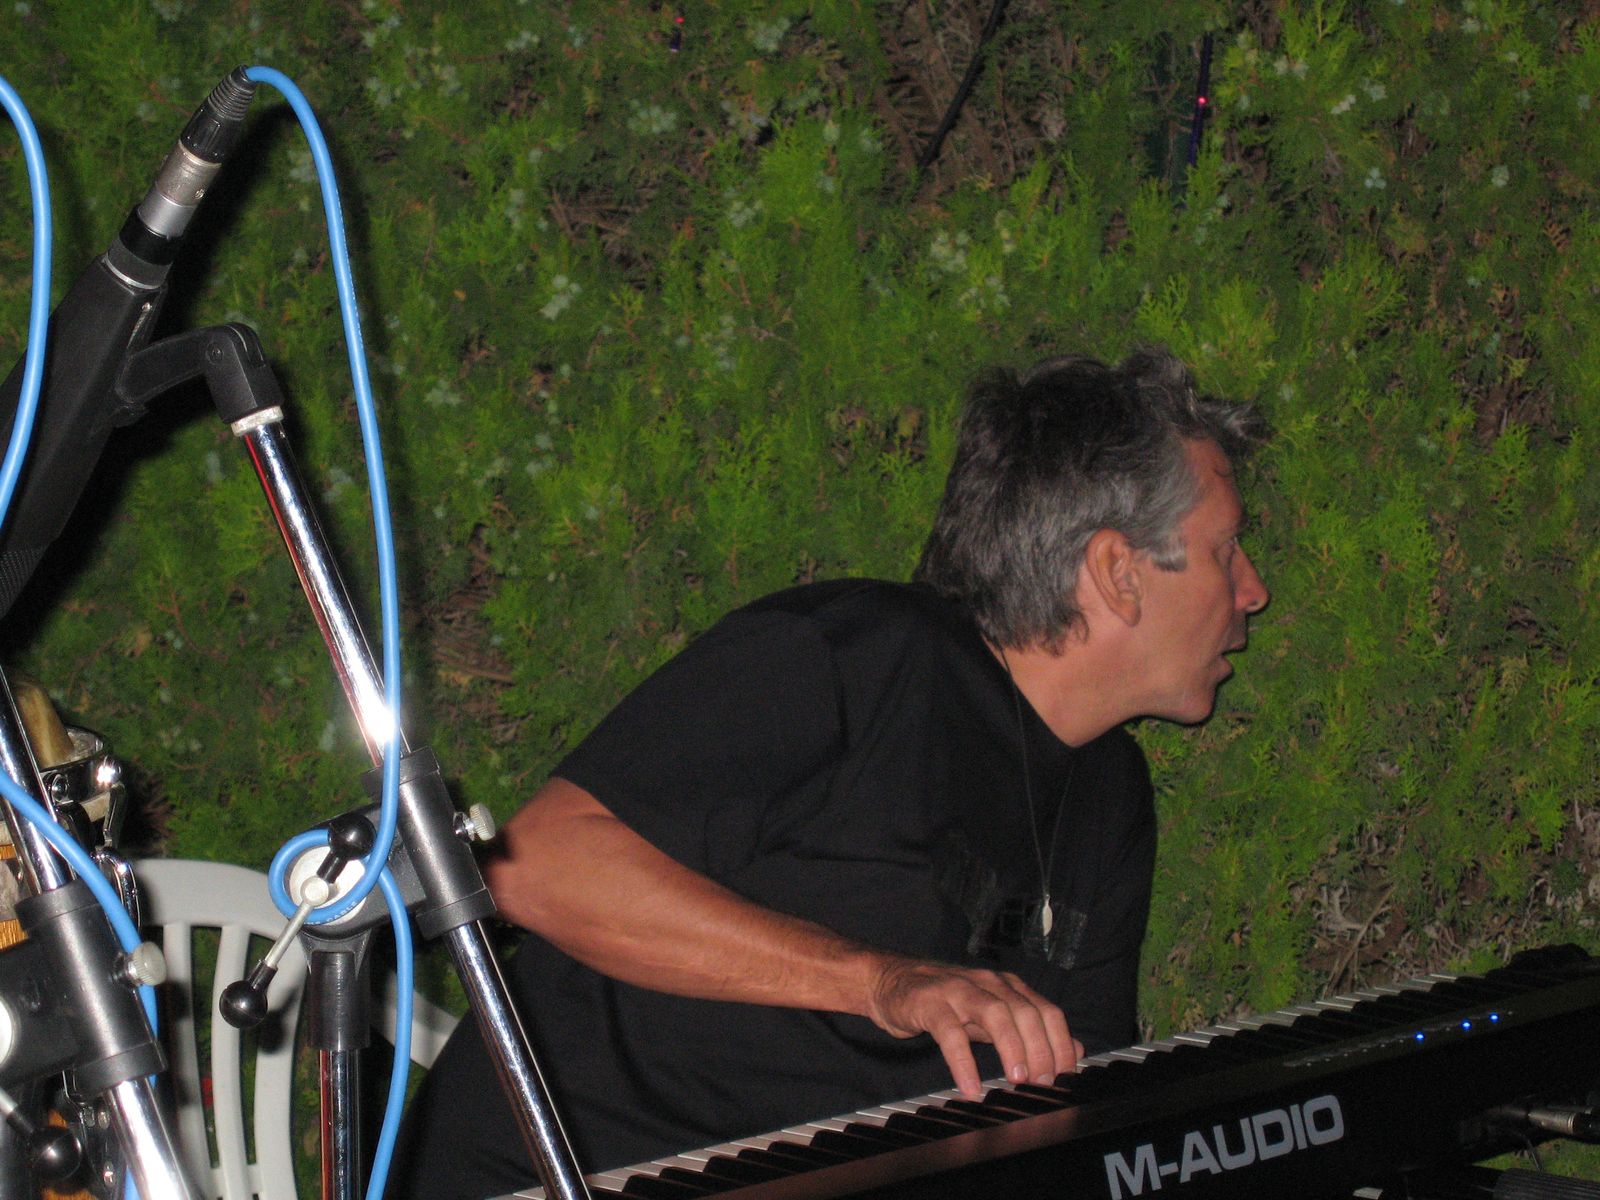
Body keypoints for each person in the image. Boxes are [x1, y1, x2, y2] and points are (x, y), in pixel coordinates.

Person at [390, 347, 1269, 1199]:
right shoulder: (857, 656)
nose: (1253, 590)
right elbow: (535, 867)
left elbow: (1079, 1114)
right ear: (1117, 572)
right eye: (1226, 551)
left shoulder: (1111, 797)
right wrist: (881, 982)